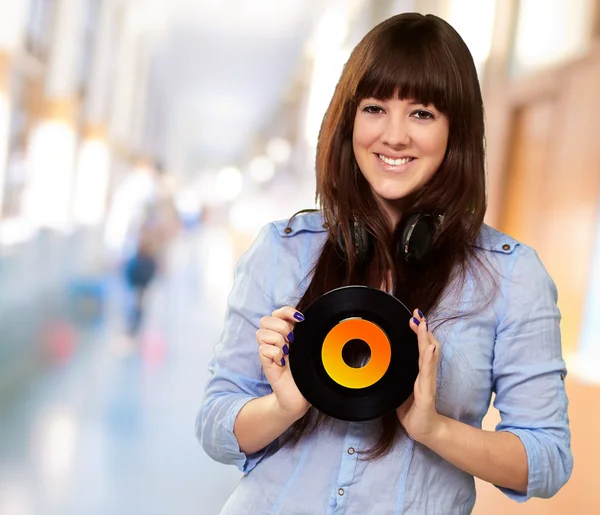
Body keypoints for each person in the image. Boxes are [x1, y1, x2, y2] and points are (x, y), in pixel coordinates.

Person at [196, 13, 573, 514]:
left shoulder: (511, 276)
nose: (394, 136)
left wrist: (432, 427)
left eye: (421, 113)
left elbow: (546, 460)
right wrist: (284, 404)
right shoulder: (282, 251)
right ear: (347, 119)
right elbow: (215, 426)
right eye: (374, 107)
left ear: (455, 129)